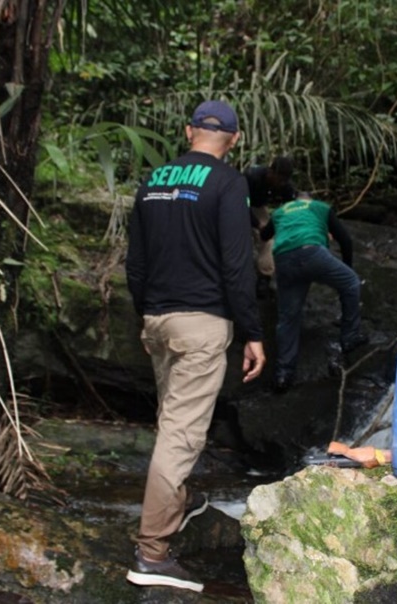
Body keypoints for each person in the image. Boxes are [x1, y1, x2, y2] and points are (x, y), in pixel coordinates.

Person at [124, 99, 266, 592]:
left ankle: (178, 504)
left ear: (189, 132)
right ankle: (152, 553)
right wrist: (252, 332)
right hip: (201, 323)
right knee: (180, 435)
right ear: (234, 139)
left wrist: (146, 315)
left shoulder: (154, 180)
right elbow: (237, 264)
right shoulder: (228, 183)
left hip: (159, 319)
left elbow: (136, 261)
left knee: (171, 421)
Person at [260, 192, 367, 393]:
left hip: (284, 260)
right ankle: (350, 336)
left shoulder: (280, 211)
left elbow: (264, 235)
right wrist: (348, 268)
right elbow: (345, 240)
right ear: (309, 200)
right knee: (351, 282)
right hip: (312, 253)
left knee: (288, 317)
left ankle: (284, 374)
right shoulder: (320, 207)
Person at [244, 156, 296, 296]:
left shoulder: (286, 187)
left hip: (258, 207)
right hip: (239, 204)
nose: (281, 183)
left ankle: (264, 277)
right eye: (279, 179)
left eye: (284, 180)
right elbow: (241, 203)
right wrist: (256, 223)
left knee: (267, 239)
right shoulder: (251, 177)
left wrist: (273, 227)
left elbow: (290, 209)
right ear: (270, 172)